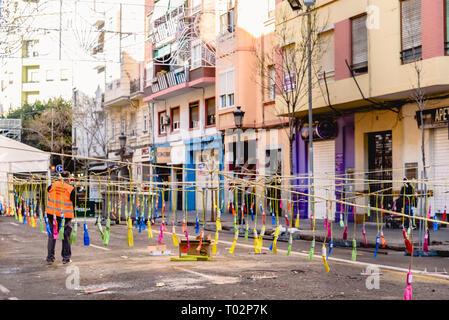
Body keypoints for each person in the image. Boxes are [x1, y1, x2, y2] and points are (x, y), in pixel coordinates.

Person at [45, 171, 76, 265]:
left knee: (52, 236)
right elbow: (74, 201)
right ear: (68, 178)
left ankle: (50, 258)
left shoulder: (52, 185)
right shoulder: (71, 188)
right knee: (66, 237)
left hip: (52, 214)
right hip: (65, 216)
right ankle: (66, 258)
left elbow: (48, 190)